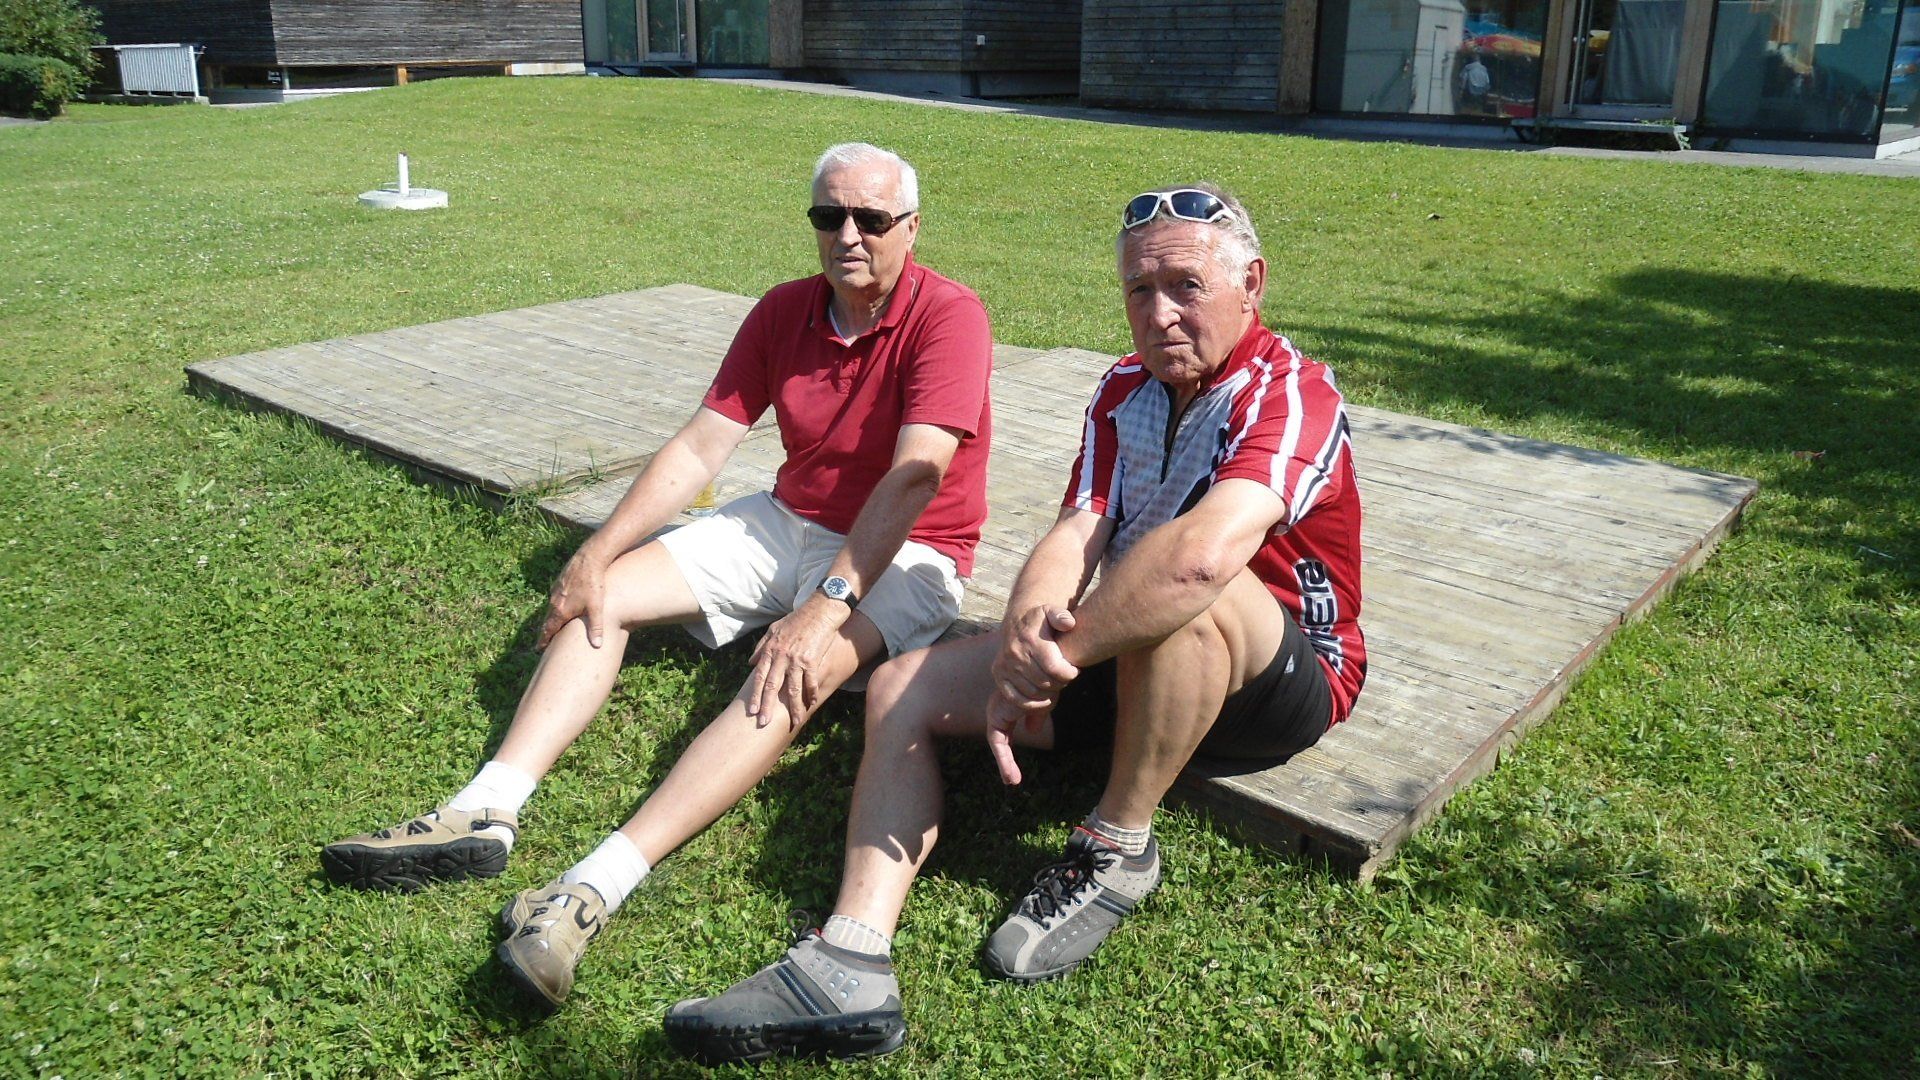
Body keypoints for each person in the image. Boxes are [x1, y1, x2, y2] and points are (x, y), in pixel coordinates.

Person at [661, 184, 1367, 1065]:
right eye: (1139, 290)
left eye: (1186, 286)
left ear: (1251, 285)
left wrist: (1048, 660)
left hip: (1279, 678)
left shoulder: (1292, 392)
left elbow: (1200, 561)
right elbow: (1076, 530)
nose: (1159, 313)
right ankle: (851, 960)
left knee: (1192, 587)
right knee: (898, 686)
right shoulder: (1124, 388)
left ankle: (1117, 845)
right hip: (1129, 654)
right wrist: (1028, 634)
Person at [320, 142, 994, 1009]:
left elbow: (915, 477)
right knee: (602, 598)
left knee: (794, 671)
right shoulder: (785, 309)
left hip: (912, 546)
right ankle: (487, 807)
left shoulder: (949, 316)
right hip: (788, 518)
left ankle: (590, 889)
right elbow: (702, 444)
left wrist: (825, 607)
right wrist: (596, 553)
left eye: (871, 219)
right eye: (829, 216)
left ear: (912, 227)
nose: (848, 235)